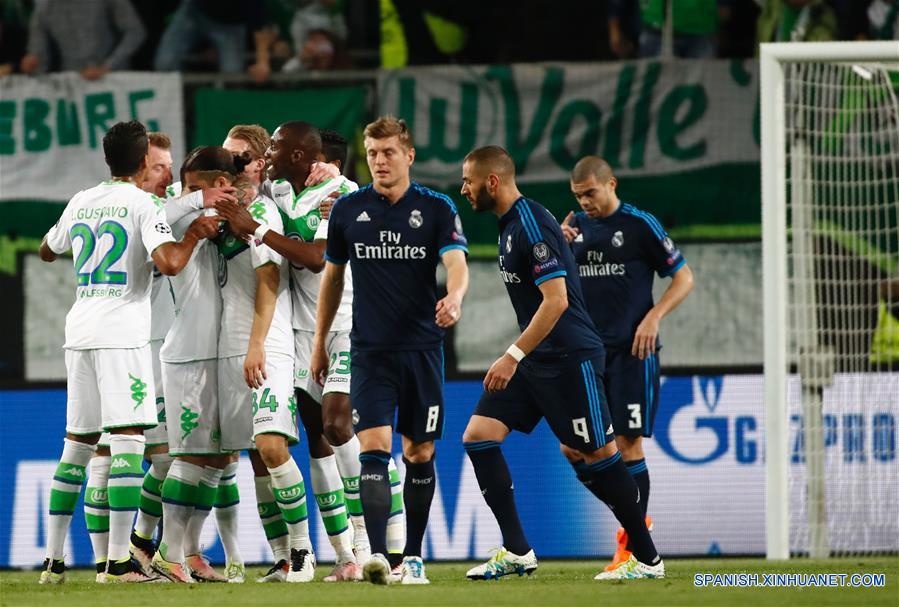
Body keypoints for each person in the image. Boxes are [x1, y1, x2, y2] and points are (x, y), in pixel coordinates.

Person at [459, 145, 664, 581]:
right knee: (478, 436)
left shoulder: (529, 223)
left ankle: (647, 560)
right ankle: (517, 551)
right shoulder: (513, 224)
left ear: (491, 181)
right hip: (537, 359)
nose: (464, 189)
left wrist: (511, 355)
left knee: (601, 455)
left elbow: (557, 301)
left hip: (570, 358)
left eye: (468, 181)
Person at [37, 120, 218, 584]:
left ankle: (53, 561)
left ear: (107, 159)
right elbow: (170, 263)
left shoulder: (81, 200)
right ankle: (119, 563)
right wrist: (194, 233)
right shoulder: (139, 203)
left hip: (79, 330)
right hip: (122, 332)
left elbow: (46, 249)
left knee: (76, 444)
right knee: (128, 439)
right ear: (142, 163)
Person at [309, 115, 469, 585]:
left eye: (388, 153)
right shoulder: (347, 210)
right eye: (372, 153)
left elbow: (457, 263)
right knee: (373, 450)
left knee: (418, 451)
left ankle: (413, 557)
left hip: (422, 349)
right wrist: (319, 343)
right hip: (370, 352)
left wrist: (454, 297)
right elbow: (333, 279)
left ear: (409, 155)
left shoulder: (437, 208)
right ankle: (380, 555)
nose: (379, 161)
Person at [561, 156, 693, 572]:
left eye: (591, 193)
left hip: (632, 354)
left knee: (626, 445)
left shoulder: (640, 225)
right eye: (578, 196)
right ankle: (637, 524)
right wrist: (560, 249)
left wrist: (653, 318)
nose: (585, 202)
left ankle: (634, 548)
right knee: (573, 447)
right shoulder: (572, 231)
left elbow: (684, 278)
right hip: (587, 356)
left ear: (611, 184)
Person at [210, 145, 317, 584]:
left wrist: (257, 344)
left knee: (273, 446)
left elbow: (269, 279)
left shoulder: (264, 214)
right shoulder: (223, 215)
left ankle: (304, 553)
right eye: (226, 159)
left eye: (240, 158)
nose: (231, 166)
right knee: (255, 457)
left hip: (266, 346)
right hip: (228, 349)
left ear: (256, 165)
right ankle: (280, 557)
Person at [20, 0, 146, 78]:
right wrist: (33, 64)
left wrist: (108, 66)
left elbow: (135, 32)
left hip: (115, 78)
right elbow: (38, 57)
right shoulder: (43, 8)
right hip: (73, 84)